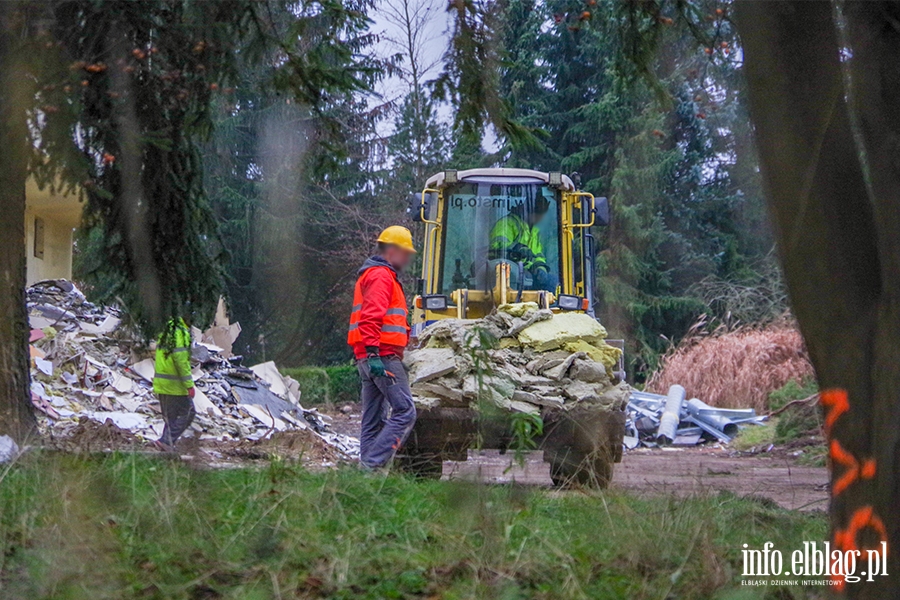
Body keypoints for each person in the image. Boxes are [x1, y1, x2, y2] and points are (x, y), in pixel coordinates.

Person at [348, 226, 418, 469]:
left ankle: (364, 478)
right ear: (392, 250)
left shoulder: (374, 274)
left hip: (369, 357)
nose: (408, 258)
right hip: (381, 356)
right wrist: (375, 354)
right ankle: (369, 467)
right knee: (405, 412)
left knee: (373, 420)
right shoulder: (381, 276)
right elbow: (371, 317)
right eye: (406, 252)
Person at [489, 193, 557, 291]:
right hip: (506, 272)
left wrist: (540, 268)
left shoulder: (534, 230)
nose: (541, 219)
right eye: (539, 215)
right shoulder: (507, 224)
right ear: (530, 212)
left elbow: (538, 255)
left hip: (526, 272)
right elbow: (497, 247)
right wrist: (517, 248)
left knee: (553, 282)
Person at [152, 317, 195, 451]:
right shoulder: (180, 333)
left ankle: (165, 444)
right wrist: (189, 384)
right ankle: (166, 441)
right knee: (189, 412)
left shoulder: (166, 330)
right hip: (175, 384)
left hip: (162, 382)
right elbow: (181, 361)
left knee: (171, 417)